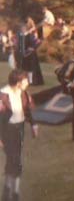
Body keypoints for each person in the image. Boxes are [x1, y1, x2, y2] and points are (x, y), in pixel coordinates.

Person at [0, 69, 38, 201]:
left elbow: (27, 109)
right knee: (15, 160)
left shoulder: (23, 93)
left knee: (13, 160)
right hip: (7, 131)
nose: (28, 82)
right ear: (18, 82)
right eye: (26, 80)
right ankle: (14, 193)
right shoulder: (3, 95)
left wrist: (33, 124)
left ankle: (7, 190)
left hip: (19, 129)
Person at [18, 18, 44, 85]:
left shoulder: (30, 35)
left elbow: (38, 42)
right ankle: (25, 80)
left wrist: (32, 48)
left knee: (31, 69)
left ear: (25, 28)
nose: (22, 29)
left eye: (23, 28)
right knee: (25, 69)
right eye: (21, 28)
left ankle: (31, 81)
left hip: (31, 55)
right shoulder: (21, 37)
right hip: (24, 55)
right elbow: (19, 45)